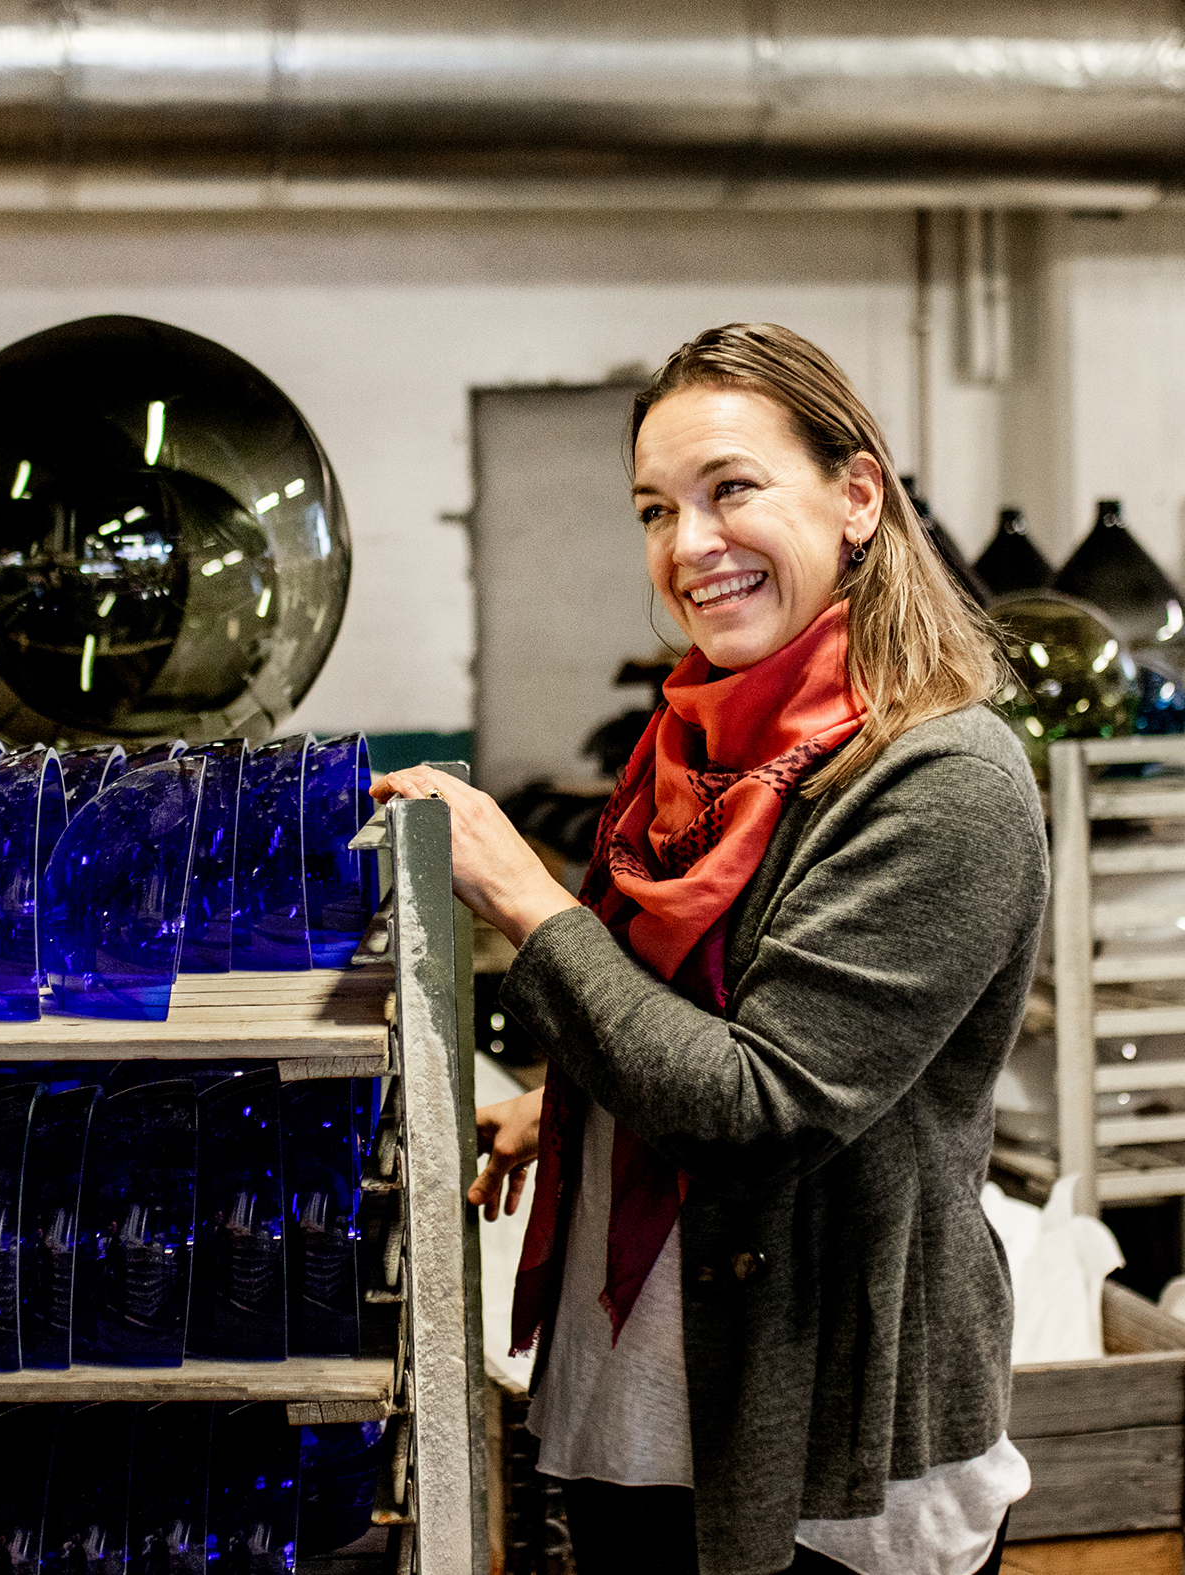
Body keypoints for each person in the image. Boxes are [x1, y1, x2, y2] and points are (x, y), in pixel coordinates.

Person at [372, 323, 1049, 1575]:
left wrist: (526, 901)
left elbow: (759, 1105)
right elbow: (679, 1008)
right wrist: (575, 1103)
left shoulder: (942, 779)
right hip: (640, 1406)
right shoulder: (692, 748)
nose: (688, 548)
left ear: (856, 497)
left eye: (731, 489)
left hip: (819, 1462)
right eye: (653, 509)